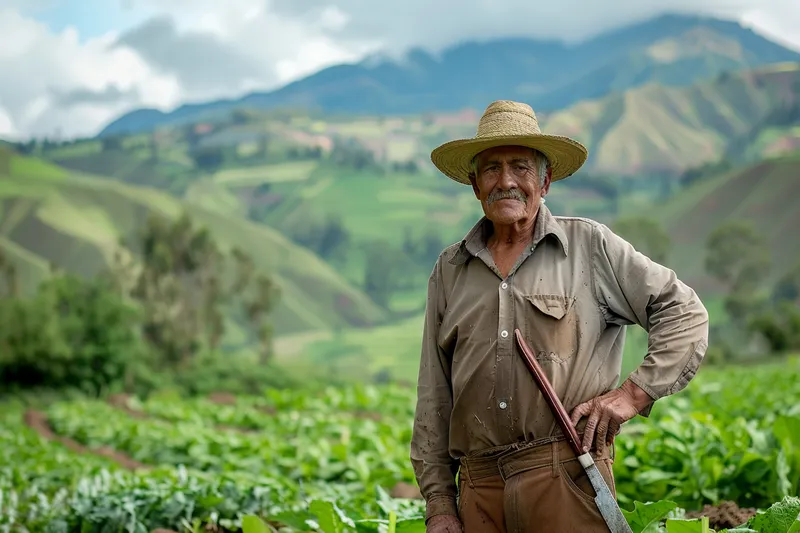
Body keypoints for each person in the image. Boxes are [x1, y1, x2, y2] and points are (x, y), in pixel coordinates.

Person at [410, 100, 709, 533]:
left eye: (521, 167)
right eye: (491, 169)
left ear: (545, 180)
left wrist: (632, 394)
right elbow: (434, 394)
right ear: (475, 185)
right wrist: (439, 503)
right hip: (479, 493)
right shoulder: (450, 269)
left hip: (567, 476)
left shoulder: (589, 246)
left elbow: (683, 312)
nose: (506, 181)